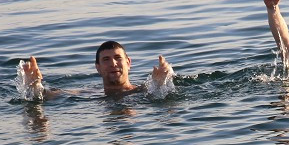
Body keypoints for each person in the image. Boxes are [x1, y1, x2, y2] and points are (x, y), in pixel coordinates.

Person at [19, 41, 175, 99]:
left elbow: (168, 115)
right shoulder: (88, 94)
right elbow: (49, 95)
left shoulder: (144, 90)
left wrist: (161, 84)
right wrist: (35, 86)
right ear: (98, 68)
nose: (113, 63)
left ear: (128, 63)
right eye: (106, 60)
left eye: (117, 58)